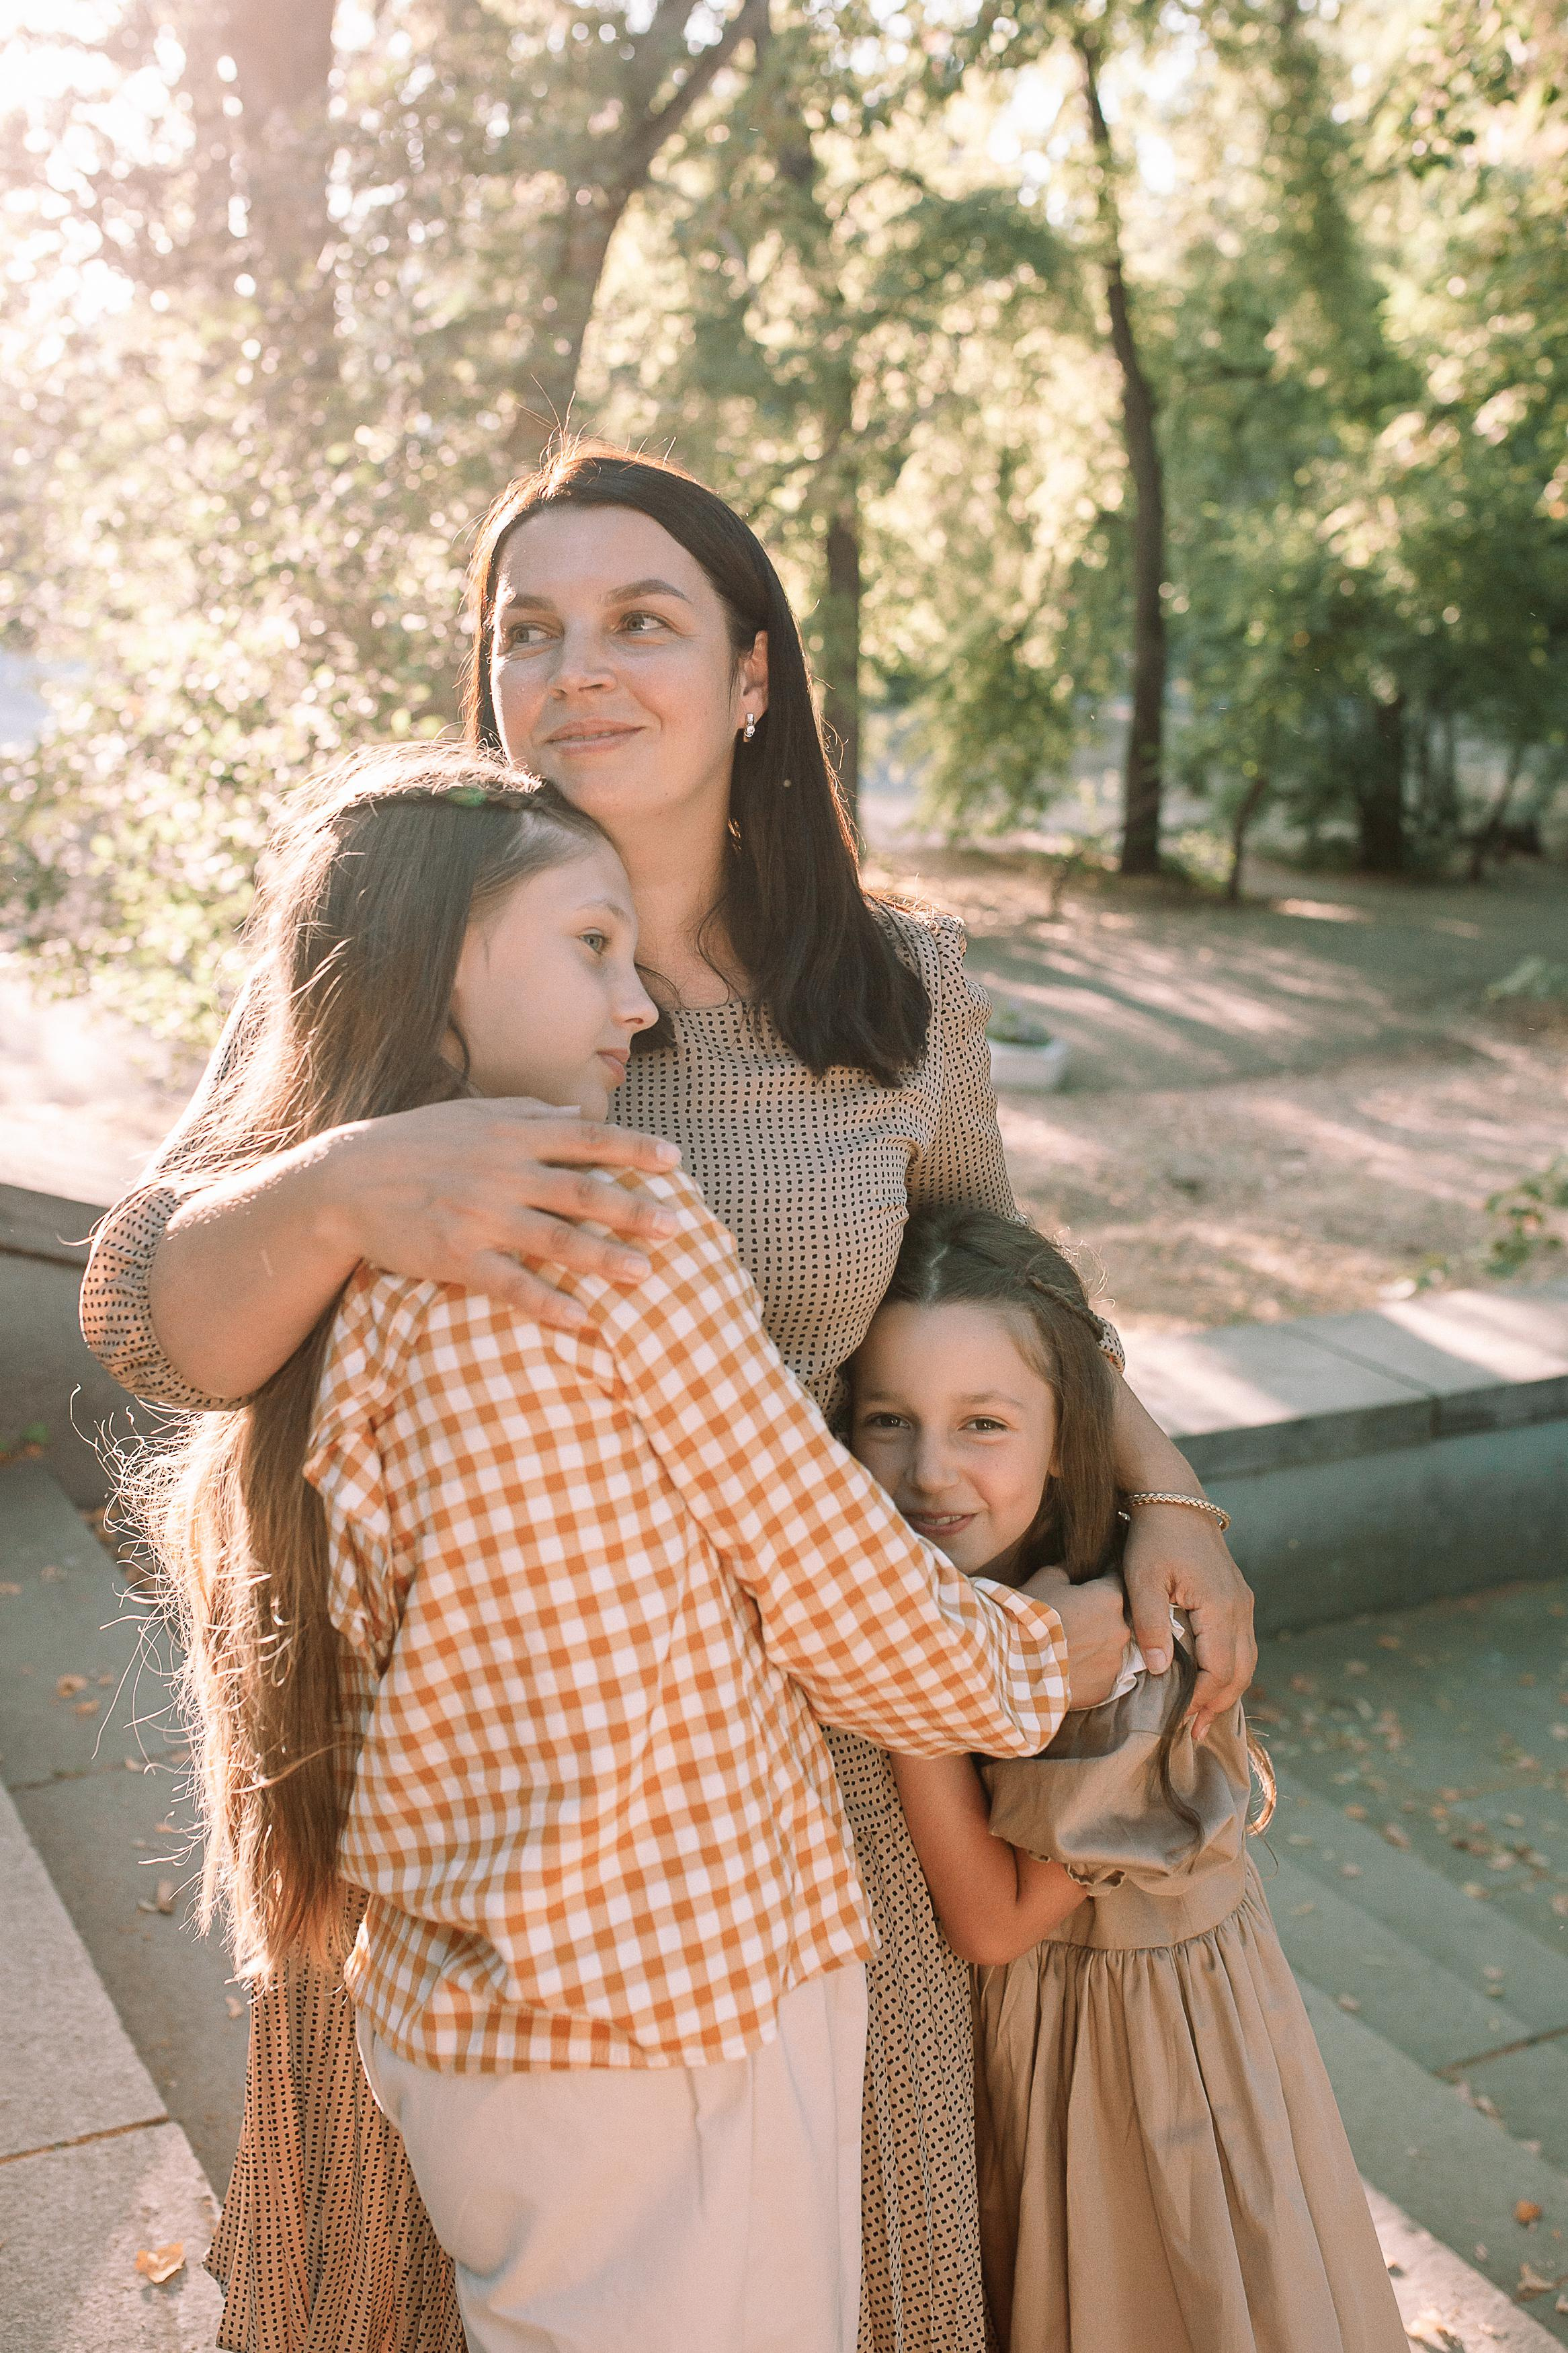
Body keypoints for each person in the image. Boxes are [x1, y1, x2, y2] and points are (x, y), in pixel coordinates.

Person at [81, 440, 1255, 2353]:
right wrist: (337, 1184)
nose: (577, 669)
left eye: (642, 620)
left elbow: (1005, 1296)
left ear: (753, 676)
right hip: (474, 1777)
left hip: (815, 1790)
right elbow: (145, 1315)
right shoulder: (401, 940)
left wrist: (1173, 1500)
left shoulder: (895, 994)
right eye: (525, 628)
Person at [136, 744, 1098, 2353]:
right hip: (689, 2006)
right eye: (591, 947)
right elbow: (852, 1603)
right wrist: (1046, 1658)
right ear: (431, 976)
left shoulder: (326, 1280)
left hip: (461, 2018)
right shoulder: (619, 1224)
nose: (637, 1006)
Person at [851, 1203, 1408, 2353]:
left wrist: (906, 1695)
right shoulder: (958, 1583)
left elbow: (995, 1921)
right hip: (1035, 2039)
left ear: (1070, 1435)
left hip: (1136, 2061)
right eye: (887, 1421)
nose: (929, 1470)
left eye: (985, 1423)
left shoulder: (1122, 1642)